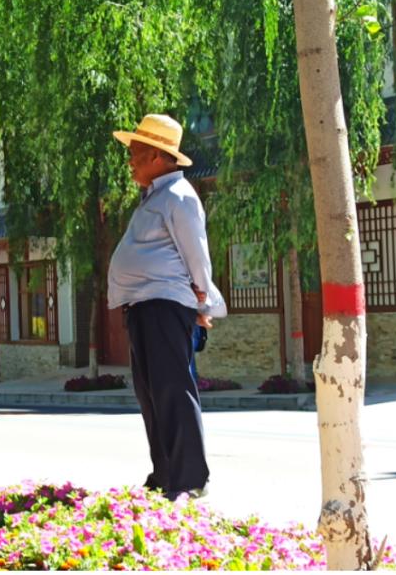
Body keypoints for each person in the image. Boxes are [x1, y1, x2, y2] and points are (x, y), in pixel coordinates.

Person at [107, 114, 226, 501]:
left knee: (172, 389)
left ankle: (190, 476)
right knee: (151, 393)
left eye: (138, 153)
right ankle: (164, 473)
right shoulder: (154, 197)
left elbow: (197, 253)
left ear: (159, 156)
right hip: (143, 304)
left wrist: (203, 301)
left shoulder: (179, 197)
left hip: (165, 303)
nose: (131, 161)